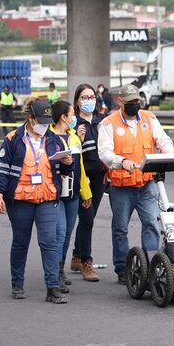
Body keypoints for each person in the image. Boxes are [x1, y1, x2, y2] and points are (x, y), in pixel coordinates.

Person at [98, 84, 174, 285]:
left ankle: (151, 266)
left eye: (137, 101)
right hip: (122, 187)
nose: (135, 105)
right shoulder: (108, 124)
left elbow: (163, 141)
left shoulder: (149, 118)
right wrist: (122, 161)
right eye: (130, 102)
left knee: (151, 225)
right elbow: (104, 153)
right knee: (120, 228)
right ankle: (123, 269)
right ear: (120, 101)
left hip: (147, 184)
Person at [0, 98, 73, 303]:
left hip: (47, 198)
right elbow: (1, 168)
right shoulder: (13, 139)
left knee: (50, 243)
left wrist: (68, 163)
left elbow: (63, 171)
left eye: (48, 122)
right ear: (30, 118)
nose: (45, 126)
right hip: (20, 200)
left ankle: (52, 288)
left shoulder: (55, 140)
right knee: (20, 242)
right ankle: (17, 284)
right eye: (41, 121)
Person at [50, 100, 92, 293]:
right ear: (63, 117)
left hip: (73, 194)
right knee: (58, 234)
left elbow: (80, 167)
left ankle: (60, 270)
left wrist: (86, 193)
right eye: (72, 114)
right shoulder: (48, 137)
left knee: (66, 235)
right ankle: (54, 274)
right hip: (57, 195)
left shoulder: (74, 137)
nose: (75, 117)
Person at [69, 84, 106, 282]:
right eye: (84, 97)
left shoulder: (102, 122)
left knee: (87, 219)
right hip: (82, 179)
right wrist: (79, 139)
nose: (89, 100)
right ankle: (86, 262)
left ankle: (76, 254)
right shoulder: (73, 123)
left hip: (99, 177)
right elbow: (71, 152)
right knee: (88, 220)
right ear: (77, 101)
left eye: (91, 96)